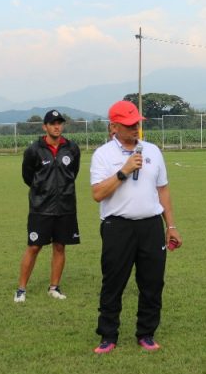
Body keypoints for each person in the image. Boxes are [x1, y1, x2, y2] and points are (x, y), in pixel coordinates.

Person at [89, 100, 182, 354]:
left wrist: (170, 225)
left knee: (152, 282)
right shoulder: (103, 155)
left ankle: (146, 333)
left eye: (137, 124)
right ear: (114, 126)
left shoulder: (152, 151)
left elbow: (162, 189)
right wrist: (124, 171)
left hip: (150, 227)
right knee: (113, 283)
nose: (135, 129)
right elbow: (97, 194)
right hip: (117, 227)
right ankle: (108, 335)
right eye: (130, 125)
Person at [14, 109, 80, 302]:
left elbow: (72, 174)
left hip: (65, 207)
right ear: (45, 127)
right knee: (34, 247)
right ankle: (21, 289)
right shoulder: (34, 150)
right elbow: (28, 177)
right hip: (41, 207)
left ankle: (54, 287)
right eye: (52, 123)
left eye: (59, 123)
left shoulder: (72, 148)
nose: (57, 126)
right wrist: (43, 192)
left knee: (60, 246)